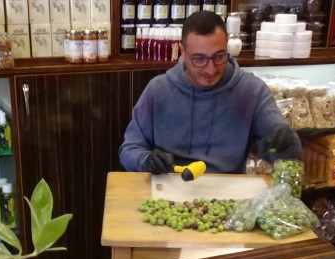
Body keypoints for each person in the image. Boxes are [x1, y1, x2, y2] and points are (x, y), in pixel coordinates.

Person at [119, 11, 301, 175]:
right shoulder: (159, 90)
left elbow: (279, 155)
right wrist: (146, 160)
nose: (211, 69)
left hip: (226, 191)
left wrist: (285, 145)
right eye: (199, 59)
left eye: (219, 56)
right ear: (182, 51)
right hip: (168, 184)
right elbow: (129, 150)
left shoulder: (252, 91)